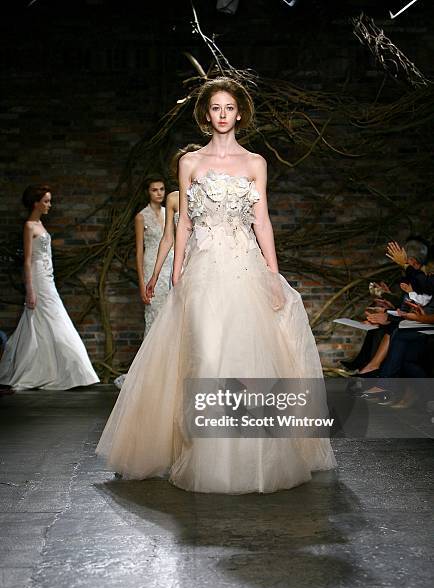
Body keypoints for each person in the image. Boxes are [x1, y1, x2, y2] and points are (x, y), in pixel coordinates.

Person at [96, 77, 336, 494]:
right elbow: (184, 221)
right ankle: (204, 456)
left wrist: (274, 274)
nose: (223, 114)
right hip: (203, 268)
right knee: (204, 356)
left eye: (229, 108)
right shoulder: (189, 163)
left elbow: (261, 221)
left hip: (245, 267)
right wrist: (175, 271)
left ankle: (247, 458)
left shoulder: (255, 163)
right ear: (206, 115)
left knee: (245, 356)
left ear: (239, 113)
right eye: (216, 108)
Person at [0, 185, 99, 391]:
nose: (49, 205)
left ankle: (50, 370)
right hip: (38, 279)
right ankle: (76, 371)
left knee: (40, 324)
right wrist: (30, 290)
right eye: (46, 201)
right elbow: (27, 261)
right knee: (54, 319)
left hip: (47, 277)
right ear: (36, 203)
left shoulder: (40, 224)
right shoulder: (29, 226)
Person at [145, 144, 201, 301]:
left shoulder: (212, 197)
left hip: (205, 261)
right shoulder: (173, 198)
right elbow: (168, 238)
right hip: (180, 264)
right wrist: (155, 275)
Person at [135, 175, 172, 333]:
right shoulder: (141, 217)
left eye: (162, 189)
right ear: (148, 192)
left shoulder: (170, 212)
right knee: (155, 314)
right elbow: (139, 251)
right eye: (154, 190)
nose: (159, 193)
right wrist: (142, 284)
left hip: (171, 265)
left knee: (174, 314)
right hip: (151, 267)